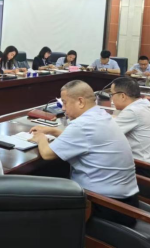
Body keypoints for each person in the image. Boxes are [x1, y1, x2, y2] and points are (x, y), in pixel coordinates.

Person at [30, 80, 139, 227]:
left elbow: (47, 154)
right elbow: (85, 139)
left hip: (104, 206)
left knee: (39, 196)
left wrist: (41, 138)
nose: (63, 108)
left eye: (65, 103)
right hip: (127, 201)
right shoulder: (100, 114)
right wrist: (53, 130)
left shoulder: (82, 125)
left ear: (80, 102)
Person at [110, 77, 150, 167]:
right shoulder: (144, 104)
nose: (112, 98)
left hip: (149, 168)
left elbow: (108, 135)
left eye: (112, 94)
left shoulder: (133, 111)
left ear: (123, 96)